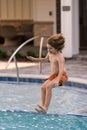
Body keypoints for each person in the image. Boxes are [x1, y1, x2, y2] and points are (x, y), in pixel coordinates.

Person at [26, 33, 68, 114]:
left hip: (61, 75)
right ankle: (42, 106)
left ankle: (46, 108)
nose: (48, 50)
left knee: (48, 87)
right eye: (48, 48)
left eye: (51, 48)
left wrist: (57, 80)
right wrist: (35, 59)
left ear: (57, 48)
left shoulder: (60, 57)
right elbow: (44, 59)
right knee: (42, 87)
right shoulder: (50, 53)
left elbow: (61, 70)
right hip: (54, 75)